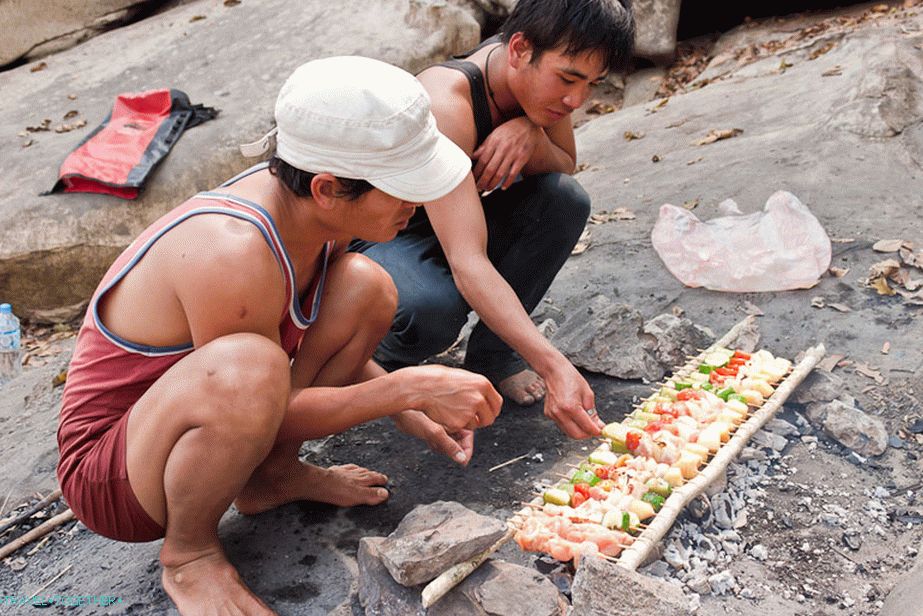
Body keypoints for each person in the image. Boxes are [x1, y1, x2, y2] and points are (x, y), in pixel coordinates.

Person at [56, 56, 502, 616]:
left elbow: (287, 370)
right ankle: (189, 553)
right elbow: (254, 396)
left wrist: (411, 408)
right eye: (402, 189)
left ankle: (270, 478)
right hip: (116, 476)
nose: (415, 206)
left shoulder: (319, 219)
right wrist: (406, 390)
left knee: (367, 286)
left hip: (204, 418)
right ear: (327, 187)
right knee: (251, 365)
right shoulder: (233, 251)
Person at [351, 0, 634, 439]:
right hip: (380, 237)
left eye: (592, 84)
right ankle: (367, 364)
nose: (576, 99)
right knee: (431, 311)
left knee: (563, 201)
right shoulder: (448, 103)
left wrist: (529, 133)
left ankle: (492, 358)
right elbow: (468, 262)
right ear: (519, 49)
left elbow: (564, 163)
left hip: (449, 216)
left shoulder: (539, 84)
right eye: (568, 79)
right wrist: (551, 362)